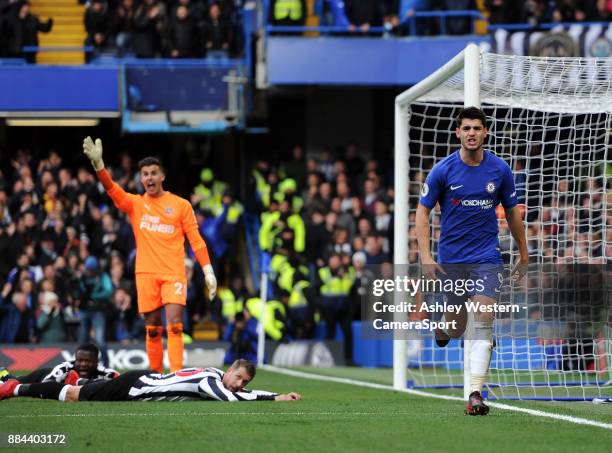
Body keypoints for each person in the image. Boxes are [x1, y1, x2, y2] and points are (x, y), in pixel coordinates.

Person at [416, 106, 528, 416]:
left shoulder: (500, 170)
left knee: (484, 317)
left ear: (485, 132)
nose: (471, 133)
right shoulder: (443, 170)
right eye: (466, 128)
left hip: (486, 258)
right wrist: (425, 256)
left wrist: (524, 252)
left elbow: (513, 213)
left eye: (477, 128)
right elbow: (422, 212)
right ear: (458, 132)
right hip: (452, 260)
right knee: (455, 327)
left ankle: (476, 392)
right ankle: (443, 327)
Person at [82, 137, 217, 373]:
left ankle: (176, 376)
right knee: (153, 328)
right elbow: (112, 189)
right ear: (141, 178)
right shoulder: (135, 204)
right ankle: (156, 378)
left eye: (154, 173)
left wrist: (207, 270)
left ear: (162, 176)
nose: (149, 178)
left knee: (175, 325)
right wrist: (99, 166)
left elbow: (196, 239)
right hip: (146, 274)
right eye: (145, 174)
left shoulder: (181, 205)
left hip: (174, 272)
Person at [0, 359, 301, 402]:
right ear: (233, 370)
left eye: (243, 383)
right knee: (73, 397)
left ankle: (11, 382)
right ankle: (15, 388)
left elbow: (236, 393)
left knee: (78, 389)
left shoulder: (212, 373)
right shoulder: (208, 381)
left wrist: (274, 394)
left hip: (138, 381)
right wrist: (274, 398)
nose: (239, 385)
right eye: (240, 379)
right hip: (135, 386)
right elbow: (229, 398)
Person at [0, 343, 118, 385]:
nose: (82, 364)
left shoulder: (107, 374)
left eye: (87, 361)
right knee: (13, 382)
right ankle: (3, 373)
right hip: (42, 376)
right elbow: (46, 384)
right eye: (79, 360)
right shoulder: (64, 369)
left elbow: (121, 383)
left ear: (96, 362)